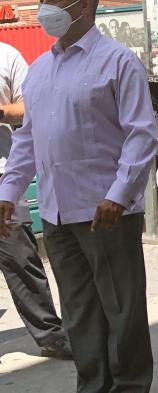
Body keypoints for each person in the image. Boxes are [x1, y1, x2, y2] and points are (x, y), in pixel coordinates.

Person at [0, 0, 157, 392]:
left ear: (85, 4)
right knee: (79, 310)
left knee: (121, 309)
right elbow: (27, 140)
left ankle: (129, 386)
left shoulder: (117, 62)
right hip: (56, 211)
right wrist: (9, 194)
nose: (44, 6)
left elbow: (140, 135)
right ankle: (92, 385)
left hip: (106, 212)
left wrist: (119, 195)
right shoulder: (39, 70)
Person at [0, 41, 71, 360]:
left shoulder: (7, 56)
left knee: (21, 257)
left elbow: (30, 107)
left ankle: (49, 334)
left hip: (4, 176)